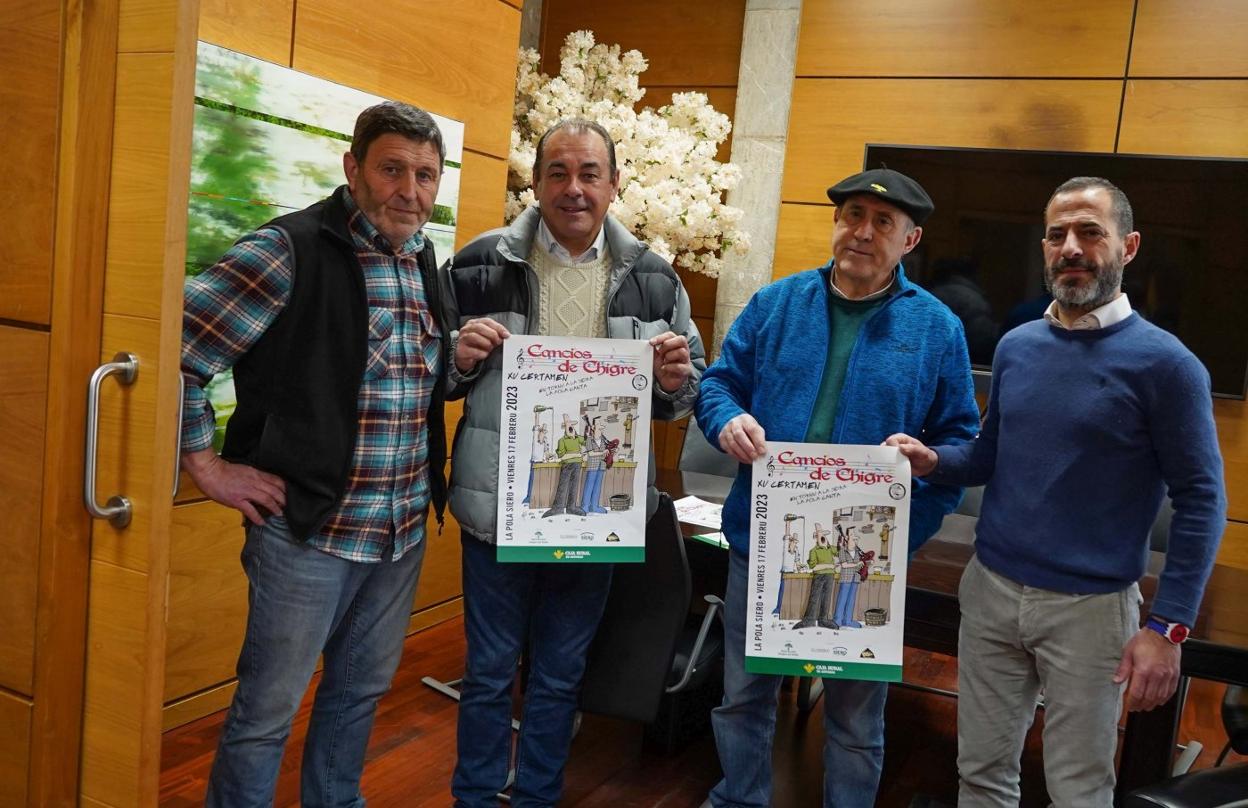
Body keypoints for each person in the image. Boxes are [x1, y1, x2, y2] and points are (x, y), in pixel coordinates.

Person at [886, 176, 1227, 807]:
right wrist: (933, 460)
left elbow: (1204, 501)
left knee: (1077, 789)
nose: (1070, 246)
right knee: (980, 774)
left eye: (1089, 232)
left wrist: (1169, 627)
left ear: (1128, 247)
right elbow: (988, 456)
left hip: (1090, 614)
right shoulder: (1017, 346)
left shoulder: (1169, 366)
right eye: (1056, 234)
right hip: (990, 591)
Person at [179, 102, 450, 807]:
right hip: (308, 532)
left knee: (358, 695)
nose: (410, 191)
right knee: (267, 712)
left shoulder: (426, 260)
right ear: (353, 167)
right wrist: (204, 463)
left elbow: (408, 384)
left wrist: (467, 355)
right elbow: (175, 348)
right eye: (392, 169)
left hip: (400, 532)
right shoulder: (285, 249)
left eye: (425, 175)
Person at [439, 118, 705, 808]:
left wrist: (674, 382)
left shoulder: (653, 278)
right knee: (491, 671)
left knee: (560, 674)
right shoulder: (478, 262)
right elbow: (431, 369)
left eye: (590, 173)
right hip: (497, 505)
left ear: (615, 184)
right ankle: (472, 797)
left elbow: (686, 389)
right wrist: (457, 357)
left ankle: (536, 797)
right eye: (557, 171)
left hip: (593, 513)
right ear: (535, 181)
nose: (574, 188)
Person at [696, 167, 980, 808]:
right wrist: (726, 417)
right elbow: (718, 383)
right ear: (836, 224)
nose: (863, 231)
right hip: (763, 542)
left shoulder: (937, 330)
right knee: (744, 695)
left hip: (864, 558)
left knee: (854, 718)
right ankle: (739, 797)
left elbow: (960, 445)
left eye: (884, 222)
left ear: (911, 241)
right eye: (853, 215)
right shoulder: (778, 303)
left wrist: (910, 524)